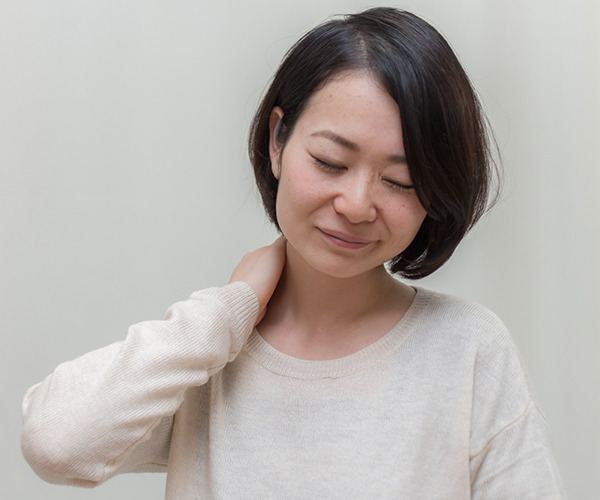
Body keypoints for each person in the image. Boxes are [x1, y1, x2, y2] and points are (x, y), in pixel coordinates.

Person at [21, 7, 565, 499]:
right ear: (278, 141)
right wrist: (226, 312)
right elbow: (56, 444)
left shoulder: (468, 351)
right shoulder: (205, 357)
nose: (356, 205)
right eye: (330, 161)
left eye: (400, 181)